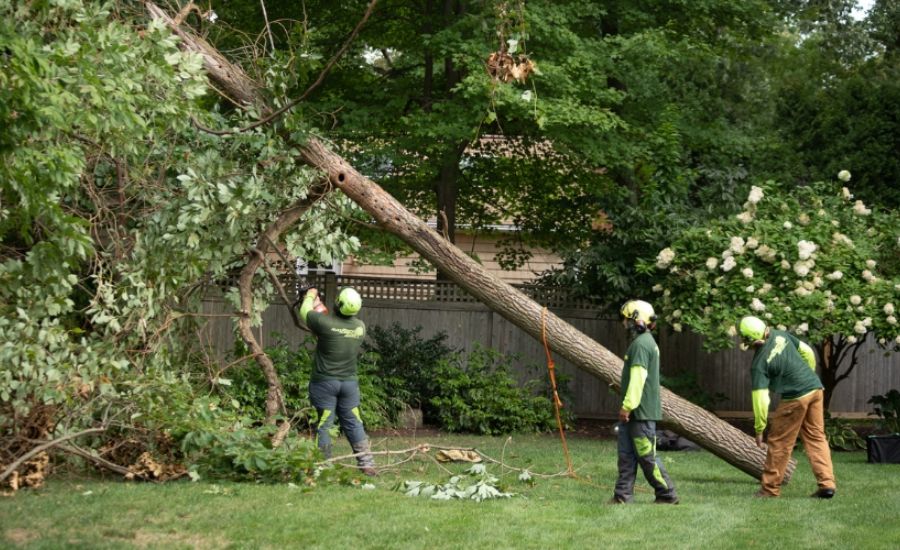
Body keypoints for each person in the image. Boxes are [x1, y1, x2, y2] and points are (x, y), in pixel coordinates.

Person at [738, 315, 836, 498]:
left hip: (795, 397)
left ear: (748, 340)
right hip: (815, 388)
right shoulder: (780, 334)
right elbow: (807, 351)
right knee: (816, 437)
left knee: (780, 443)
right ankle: (827, 485)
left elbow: (761, 399)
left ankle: (769, 490)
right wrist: (807, 375)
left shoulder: (759, 364)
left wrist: (759, 429)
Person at [299, 286, 376, 476]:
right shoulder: (360, 327)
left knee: (325, 423)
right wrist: (319, 306)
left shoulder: (324, 323)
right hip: (349, 385)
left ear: (338, 303)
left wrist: (310, 295)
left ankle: (323, 465)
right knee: (354, 422)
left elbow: (305, 311)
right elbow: (332, 325)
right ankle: (367, 464)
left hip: (324, 383)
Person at [611, 300, 679, 504]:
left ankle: (667, 494)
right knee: (626, 456)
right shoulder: (643, 342)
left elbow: (638, 379)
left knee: (647, 456)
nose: (624, 324)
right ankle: (623, 496)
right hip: (634, 414)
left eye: (626, 320)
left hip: (640, 413)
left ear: (635, 321)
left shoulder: (642, 345)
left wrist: (627, 406)